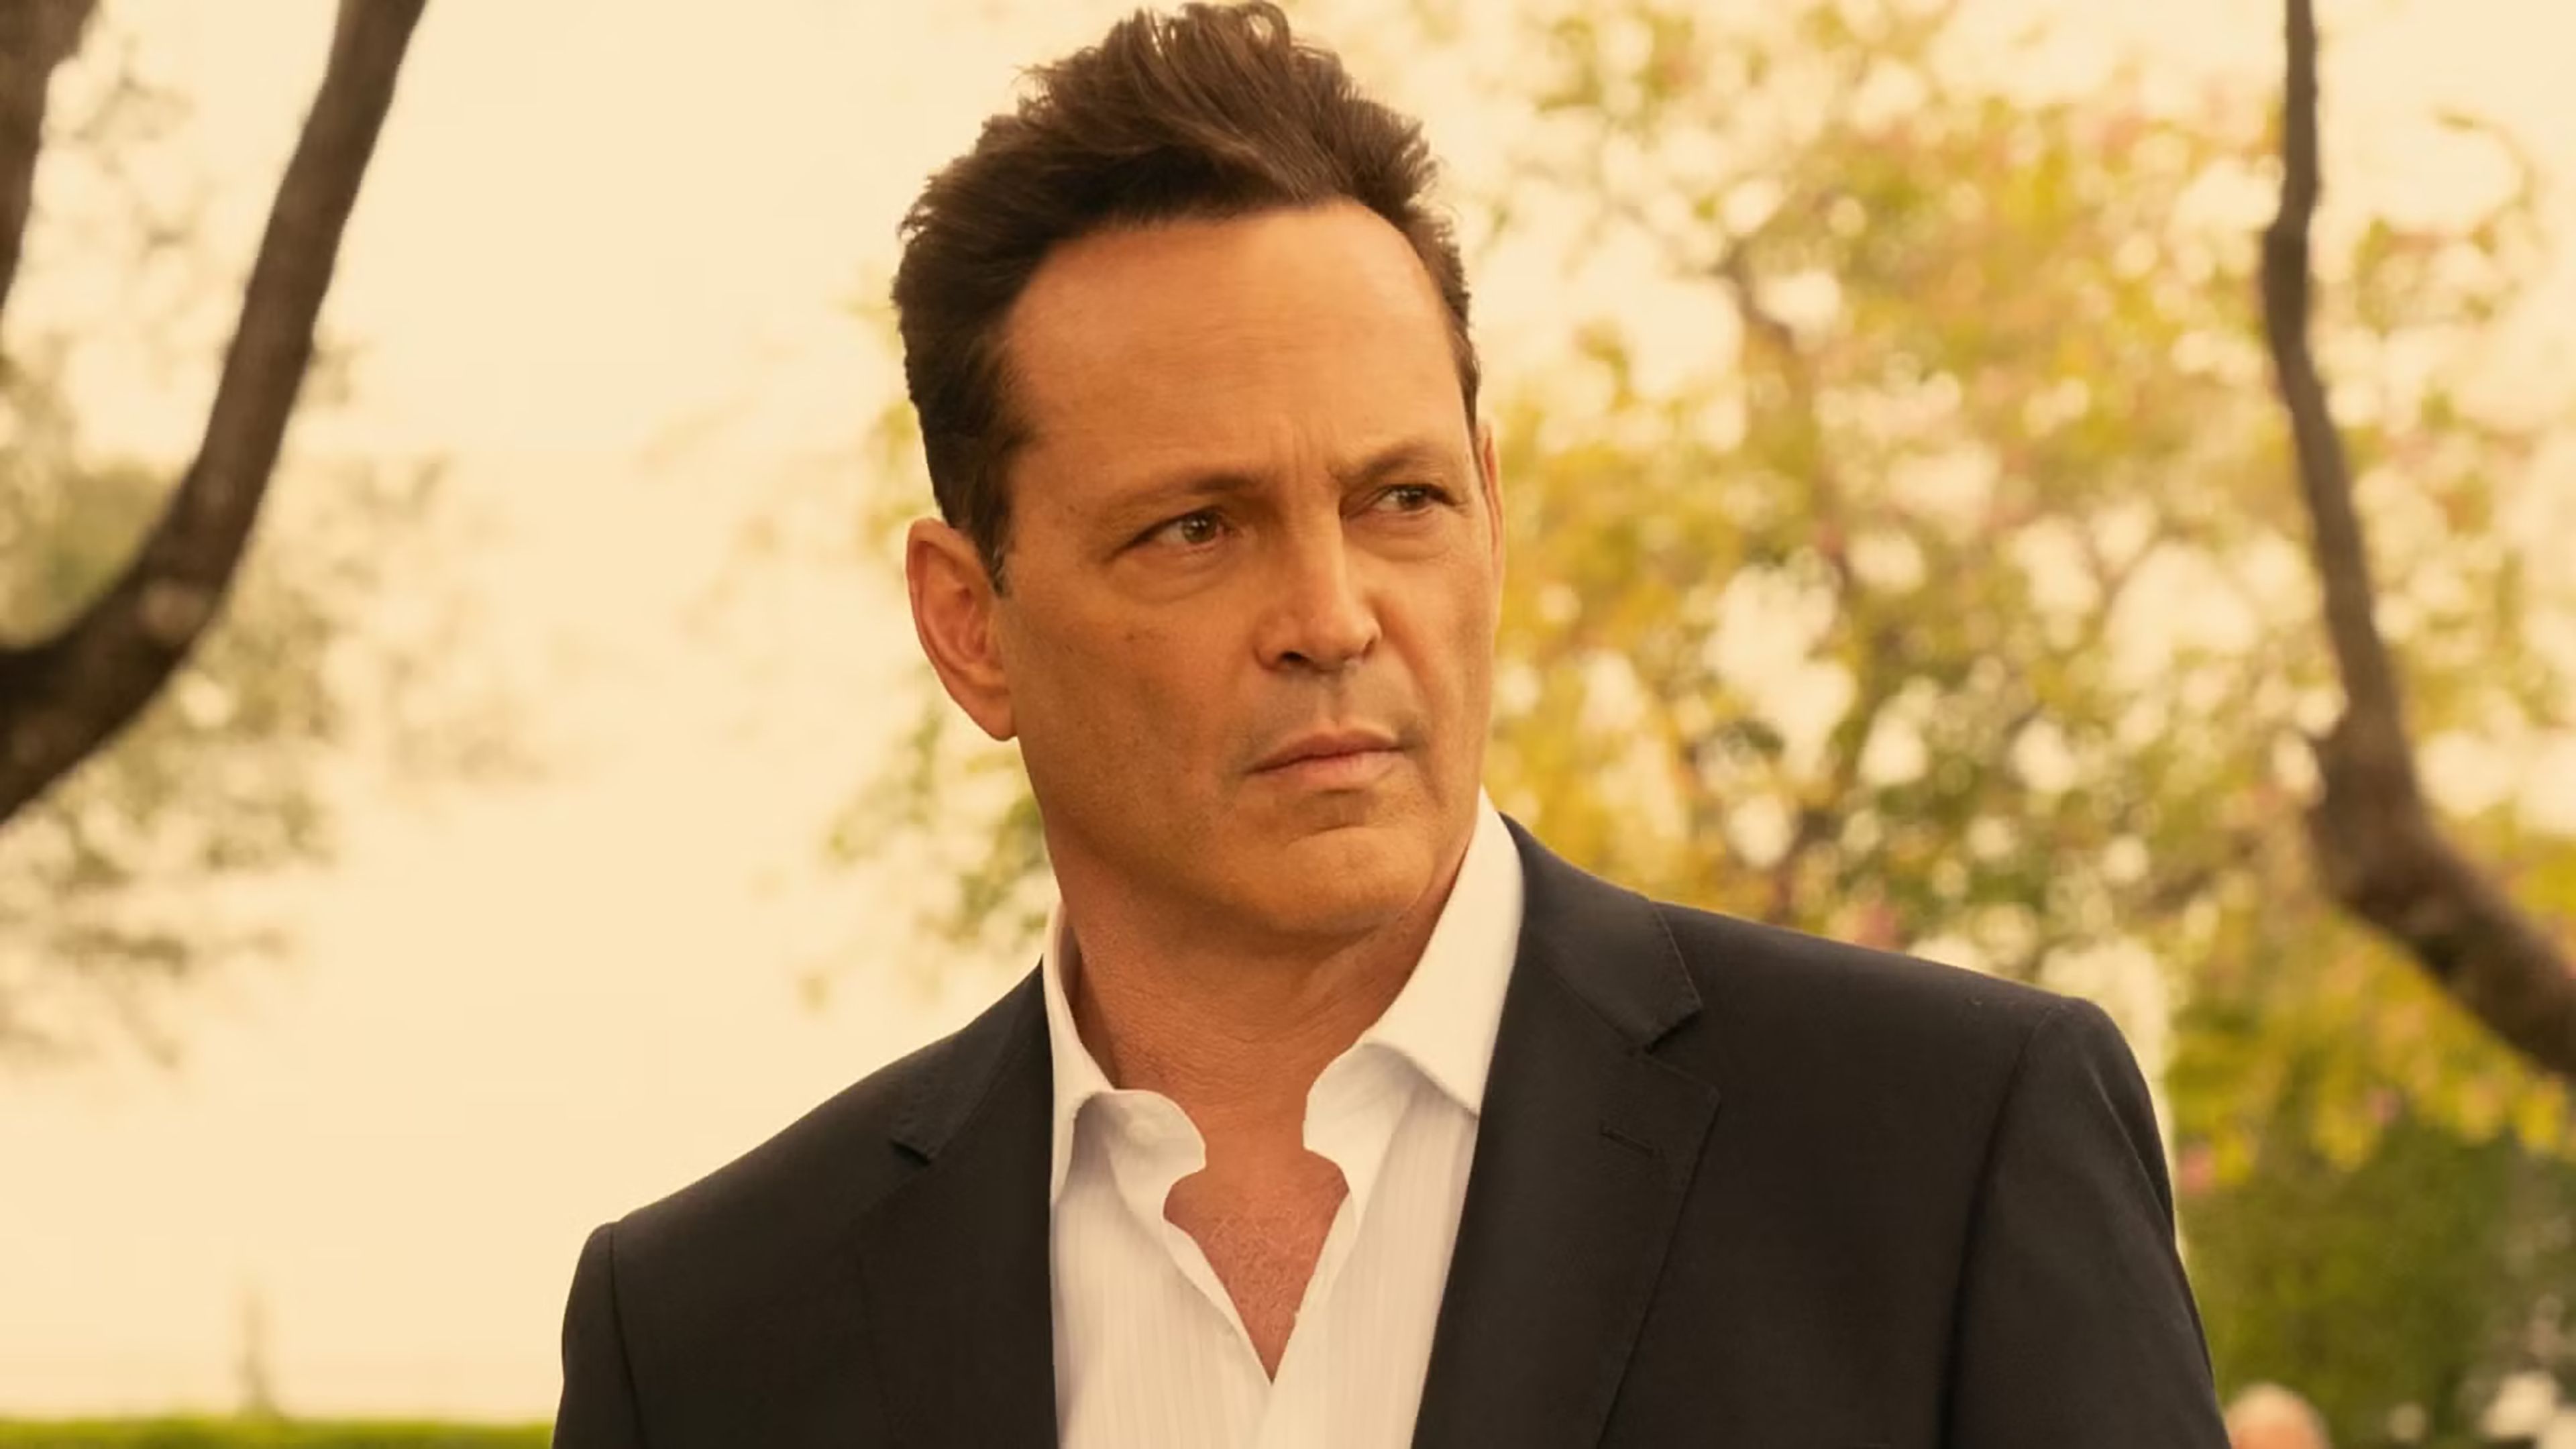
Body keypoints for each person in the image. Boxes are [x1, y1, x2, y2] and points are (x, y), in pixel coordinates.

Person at [549, 3, 2230, 1445]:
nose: (1333, 616)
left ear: (1491, 508)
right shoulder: (705, 1339)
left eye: (1401, 498)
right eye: (1195, 528)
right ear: (968, 626)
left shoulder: (1943, 1155)